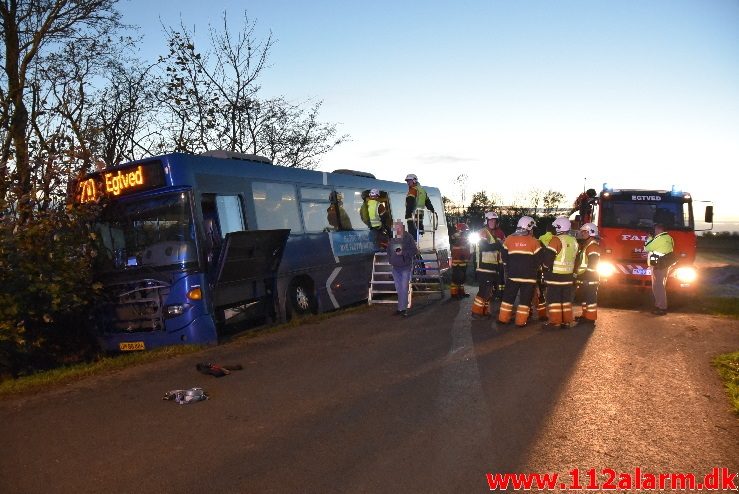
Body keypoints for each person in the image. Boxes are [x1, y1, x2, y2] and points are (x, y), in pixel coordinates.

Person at [497, 216, 542, 327]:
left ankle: (503, 319)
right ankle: (520, 322)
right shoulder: (534, 242)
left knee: (508, 298)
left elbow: (504, 257)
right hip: (529, 277)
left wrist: (509, 267)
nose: (532, 231)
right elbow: (539, 260)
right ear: (528, 227)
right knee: (525, 300)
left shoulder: (509, 239)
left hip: (513, 276)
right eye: (532, 228)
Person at [541, 217, 579, 328]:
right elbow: (576, 259)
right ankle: (567, 321)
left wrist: (544, 268)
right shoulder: (574, 241)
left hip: (555, 276)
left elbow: (548, 258)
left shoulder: (556, 240)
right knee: (566, 300)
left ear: (558, 227)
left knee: (554, 299)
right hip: (568, 277)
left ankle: (555, 321)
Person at [472, 212, 506, 317]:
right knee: (484, 291)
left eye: (495, 220)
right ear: (486, 221)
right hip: (484, 267)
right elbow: (484, 247)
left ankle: (484, 311)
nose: (493, 222)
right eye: (491, 220)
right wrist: (499, 244)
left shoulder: (495, 234)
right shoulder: (483, 232)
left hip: (492, 267)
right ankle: (476, 312)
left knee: (489, 292)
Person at [386, 219, 419, 316]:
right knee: (398, 288)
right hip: (395, 267)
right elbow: (388, 250)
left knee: (404, 288)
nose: (397, 229)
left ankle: (403, 309)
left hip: (405, 267)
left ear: (402, 227)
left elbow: (414, 250)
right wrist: (390, 260)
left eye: (398, 227)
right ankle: (400, 308)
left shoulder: (408, 237)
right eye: (395, 227)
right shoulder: (393, 238)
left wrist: (403, 253)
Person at [644, 223, 676, 315]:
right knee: (659, 286)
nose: (654, 231)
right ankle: (658, 305)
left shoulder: (659, 238)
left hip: (658, 265)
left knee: (658, 287)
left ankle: (661, 307)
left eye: (655, 229)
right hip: (664, 264)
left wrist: (649, 238)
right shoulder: (669, 238)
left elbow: (647, 248)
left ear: (659, 230)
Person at [575, 222, 601, 326]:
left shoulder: (593, 246)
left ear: (591, 232)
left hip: (590, 278)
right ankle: (585, 316)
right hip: (586, 277)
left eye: (584, 232)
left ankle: (590, 318)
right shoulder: (588, 245)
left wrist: (587, 277)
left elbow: (592, 265)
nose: (582, 234)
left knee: (590, 298)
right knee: (586, 298)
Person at [404, 173, 435, 239]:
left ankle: (414, 246)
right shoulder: (423, 191)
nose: (408, 183)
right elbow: (428, 203)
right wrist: (432, 210)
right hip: (420, 215)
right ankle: (419, 242)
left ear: (414, 180)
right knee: (419, 232)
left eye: (409, 181)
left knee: (412, 234)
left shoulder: (413, 190)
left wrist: (408, 213)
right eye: (407, 181)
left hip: (412, 216)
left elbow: (410, 202)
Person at [450, 223, 472, 299]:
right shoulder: (456, 238)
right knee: (456, 279)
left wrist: (468, 257)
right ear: (461, 230)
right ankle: (454, 294)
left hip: (463, 262)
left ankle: (461, 292)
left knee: (462, 278)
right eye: (465, 230)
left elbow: (467, 249)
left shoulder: (464, 238)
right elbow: (456, 246)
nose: (466, 232)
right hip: (457, 262)